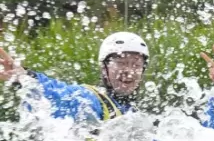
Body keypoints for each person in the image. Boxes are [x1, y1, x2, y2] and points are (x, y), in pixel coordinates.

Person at [0, 31, 149, 124]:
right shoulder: (91, 99)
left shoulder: (134, 115)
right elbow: (59, 95)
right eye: (121, 63)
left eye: (136, 65)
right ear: (104, 68)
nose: (129, 71)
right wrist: (25, 77)